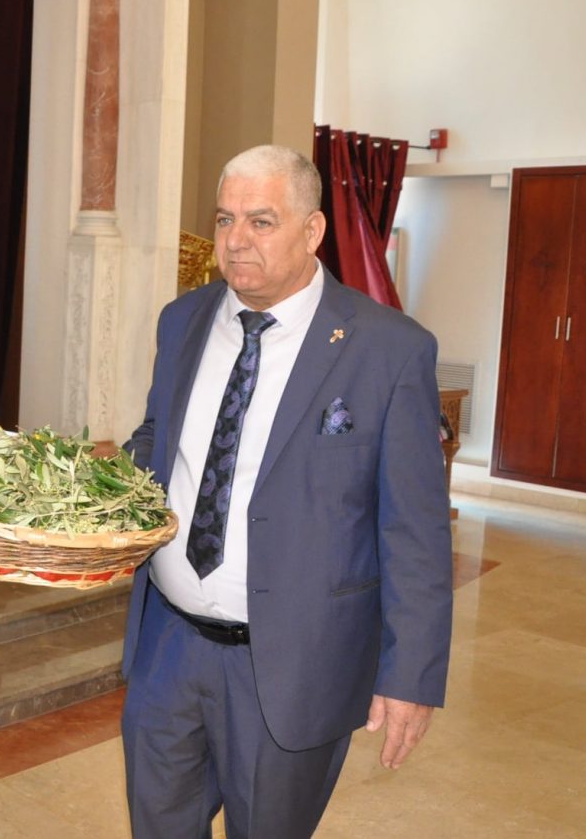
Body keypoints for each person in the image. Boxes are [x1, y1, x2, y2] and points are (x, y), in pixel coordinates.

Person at [120, 145, 453, 838]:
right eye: (225, 219)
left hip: (297, 664)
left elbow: (415, 530)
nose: (236, 240)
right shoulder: (183, 321)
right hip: (168, 647)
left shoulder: (388, 350)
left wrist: (410, 675)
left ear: (313, 230)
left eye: (261, 221)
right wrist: (97, 495)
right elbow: (159, 436)